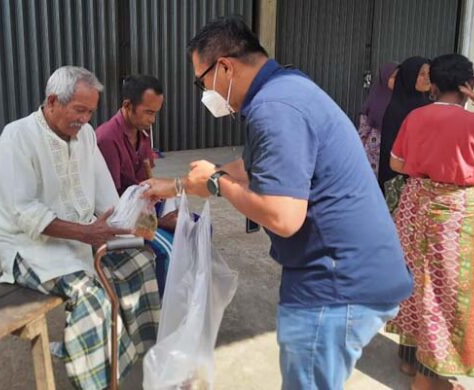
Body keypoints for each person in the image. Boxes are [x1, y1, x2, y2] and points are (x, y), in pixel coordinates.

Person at [143, 17, 413, 390]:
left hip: (337, 283)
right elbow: (260, 167)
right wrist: (177, 185)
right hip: (342, 269)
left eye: (201, 82)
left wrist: (216, 183)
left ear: (224, 67)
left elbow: (284, 216)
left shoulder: (276, 107)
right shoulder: (286, 88)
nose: (204, 93)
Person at [0, 66, 160, 390]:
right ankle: (96, 379)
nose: (84, 119)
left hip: (82, 240)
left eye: (90, 112)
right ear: (53, 101)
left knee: (141, 263)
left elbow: (105, 196)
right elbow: (24, 212)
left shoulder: (85, 136)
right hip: (30, 248)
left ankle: (115, 361)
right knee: (92, 297)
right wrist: (87, 234)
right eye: (79, 110)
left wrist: (137, 221)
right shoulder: (18, 137)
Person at [386, 54, 474, 390]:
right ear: (470, 87)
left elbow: (396, 162)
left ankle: (410, 361)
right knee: (447, 293)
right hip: (456, 212)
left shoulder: (415, 117)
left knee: (415, 283)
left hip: (415, 206)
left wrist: (428, 173)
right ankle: (427, 378)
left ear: (432, 85)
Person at [96, 75, 176, 296]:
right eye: (149, 112)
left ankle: (183, 295)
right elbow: (110, 202)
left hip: (142, 206)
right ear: (127, 106)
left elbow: (145, 180)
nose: (153, 120)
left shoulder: (142, 133)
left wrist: (158, 199)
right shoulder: (106, 139)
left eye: (156, 113)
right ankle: (162, 308)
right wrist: (156, 220)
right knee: (167, 249)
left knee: (197, 227)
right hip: (121, 215)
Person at [378, 56, 431, 207]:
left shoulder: (430, 106)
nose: (427, 79)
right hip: (400, 178)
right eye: (421, 74)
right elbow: (391, 147)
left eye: (429, 74)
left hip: (426, 179)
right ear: (409, 76)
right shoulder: (397, 109)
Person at [358, 62, 399, 175]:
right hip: (372, 155)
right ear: (384, 78)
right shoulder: (374, 101)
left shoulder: (401, 102)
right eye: (393, 77)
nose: (397, 81)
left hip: (392, 154)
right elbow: (363, 131)